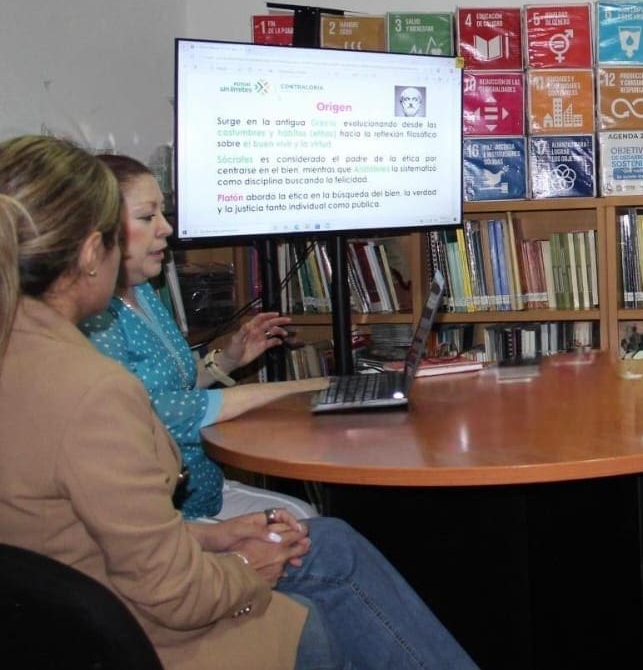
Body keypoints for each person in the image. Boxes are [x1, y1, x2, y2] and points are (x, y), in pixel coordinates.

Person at [0, 134, 479, 670]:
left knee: (332, 542)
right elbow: (173, 592)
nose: (163, 229)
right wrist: (248, 565)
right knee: (320, 610)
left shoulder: (24, 356)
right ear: (92, 253)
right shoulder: (93, 391)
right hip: (122, 634)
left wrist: (218, 537)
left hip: (66, 614)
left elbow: (85, 532)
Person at [80, 154, 329, 520]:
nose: (166, 227)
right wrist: (314, 387)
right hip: (164, 515)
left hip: (205, 489)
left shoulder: (143, 290)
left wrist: (227, 359)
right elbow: (154, 411)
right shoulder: (92, 317)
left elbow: (173, 384)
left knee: (305, 515)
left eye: (162, 213)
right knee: (305, 523)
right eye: (147, 217)